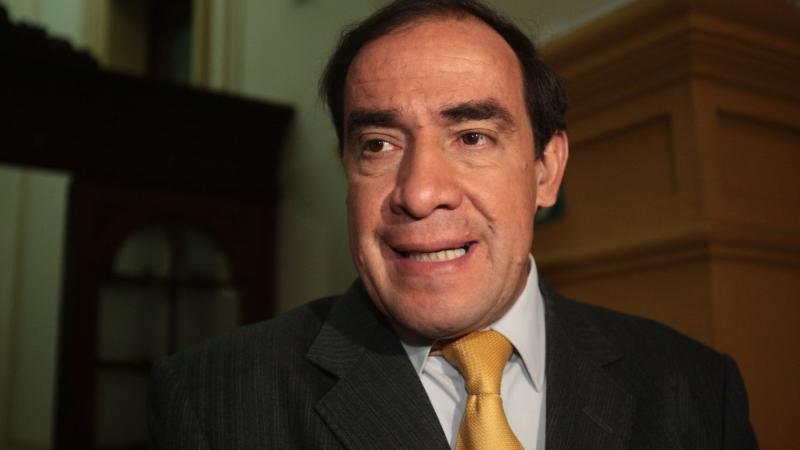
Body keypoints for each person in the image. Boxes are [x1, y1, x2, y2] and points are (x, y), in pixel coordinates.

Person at [148, 1, 757, 448]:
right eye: (378, 144)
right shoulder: (212, 402)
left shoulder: (698, 392)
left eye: (472, 137)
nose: (419, 193)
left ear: (545, 171)